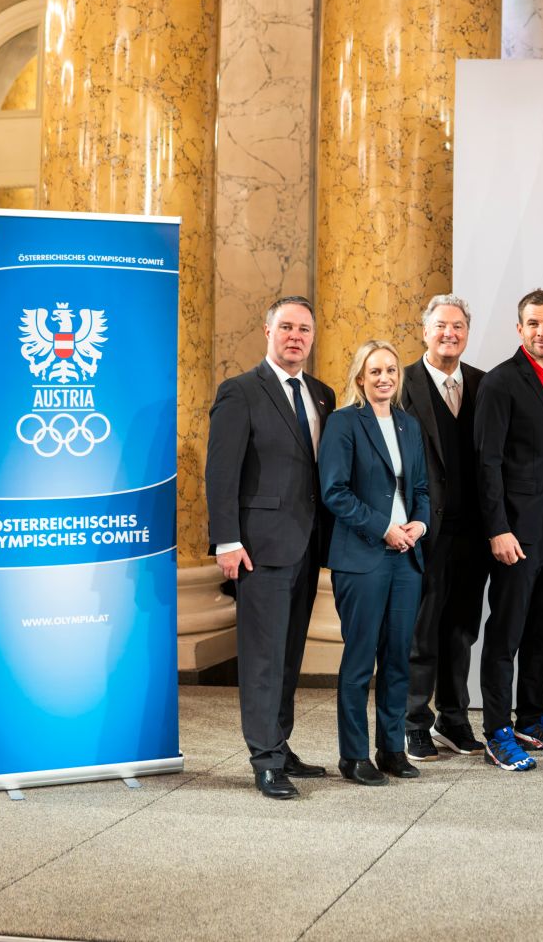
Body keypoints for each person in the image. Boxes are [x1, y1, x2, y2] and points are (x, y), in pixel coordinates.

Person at [206, 295, 336, 800]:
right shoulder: (240, 391)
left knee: (288, 654)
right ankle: (264, 759)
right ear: (267, 332)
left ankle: (280, 744)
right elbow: (221, 473)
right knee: (262, 656)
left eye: (304, 329)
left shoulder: (321, 394)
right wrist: (227, 540)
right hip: (258, 547)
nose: (295, 337)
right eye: (286, 327)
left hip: (307, 544)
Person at [318, 340, 432, 786]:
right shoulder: (343, 423)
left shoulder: (408, 424)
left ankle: (391, 749)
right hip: (362, 556)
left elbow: (420, 489)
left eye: (391, 370)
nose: (384, 378)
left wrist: (420, 524)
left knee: (399, 658)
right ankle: (353, 756)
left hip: (406, 557)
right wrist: (383, 527)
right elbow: (334, 491)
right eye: (375, 371)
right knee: (360, 659)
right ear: (360, 378)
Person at [470, 289, 543, 772]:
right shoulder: (500, 382)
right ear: (519, 329)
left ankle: (533, 719)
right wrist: (498, 529)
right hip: (516, 533)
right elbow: (486, 462)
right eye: (533, 323)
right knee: (506, 634)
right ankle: (497, 730)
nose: (541, 332)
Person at [398, 295, 489, 760]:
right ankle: (413, 721)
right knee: (421, 630)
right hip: (421, 531)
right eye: (440, 326)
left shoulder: (483, 383)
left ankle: (453, 719)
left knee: (462, 629)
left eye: (458, 326)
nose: (449, 333)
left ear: (467, 333)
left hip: (473, 531)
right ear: (425, 331)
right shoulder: (402, 384)